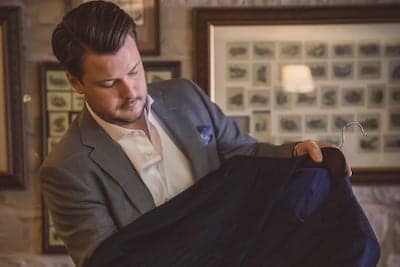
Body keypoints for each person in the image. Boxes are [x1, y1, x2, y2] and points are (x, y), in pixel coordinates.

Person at [39, 1, 350, 266]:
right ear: (76, 83)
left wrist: (297, 152)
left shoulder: (185, 96)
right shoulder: (67, 169)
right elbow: (107, 261)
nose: (130, 91)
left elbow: (243, 153)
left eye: (134, 71)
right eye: (109, 84)